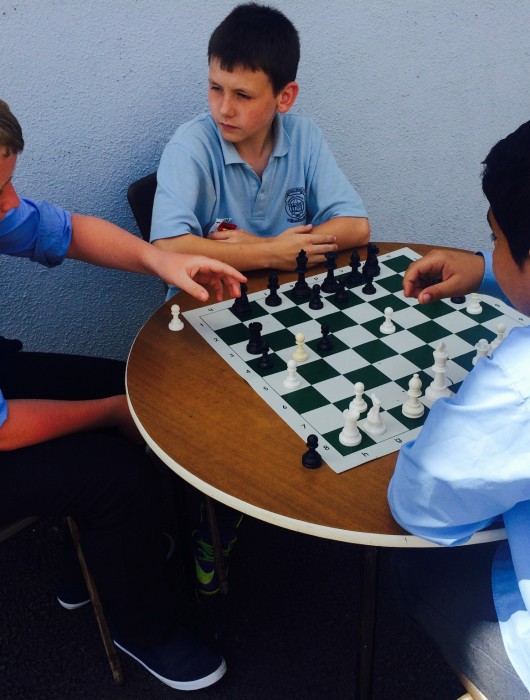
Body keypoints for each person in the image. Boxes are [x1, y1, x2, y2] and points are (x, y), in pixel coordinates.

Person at [0, 99, 247, 691]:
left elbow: (63, 229)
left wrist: (163, 261)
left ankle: (94, 561)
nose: (9, 205)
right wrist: (121, 413)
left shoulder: (4, 208)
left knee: (128, 386)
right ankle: (141, 629)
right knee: (119, 468)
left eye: (8, 183)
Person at [150, 2, 369, 593]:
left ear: (285, 97)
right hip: (209, 322)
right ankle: (214, 524)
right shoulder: (191, 145)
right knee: (232, 438)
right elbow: (169, 246)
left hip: (291, 310)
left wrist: (246, 246)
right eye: (215, 88)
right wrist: (274, 251)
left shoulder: (304, 135)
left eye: (243, 95)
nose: (224, 107)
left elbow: (355, 229)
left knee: (341, 383)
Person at [387, 119, 530, 698]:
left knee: (409, 564)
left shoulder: (520, 384)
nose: (490, 250)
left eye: (495, 240)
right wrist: (494, 271)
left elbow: (419, 502)